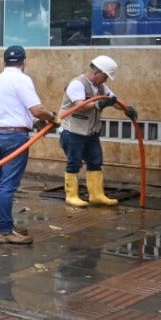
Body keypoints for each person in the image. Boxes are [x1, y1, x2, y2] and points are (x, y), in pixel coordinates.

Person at [0, 45, 55, 245]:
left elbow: (15, 110)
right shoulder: (22, 79)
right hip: (15, 137)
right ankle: (5, 231)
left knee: (1, 183)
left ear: (4, 62)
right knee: (8, 185)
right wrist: (53, 117)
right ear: (24, 62)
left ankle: (5, 224)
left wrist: (36, 122)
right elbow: (36, 110)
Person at [58, 54, 138, 208]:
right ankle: (72, 195)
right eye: (105, 76)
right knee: (74, 162)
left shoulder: (101, 87)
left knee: (95, 161)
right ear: (97, 72)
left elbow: (113, 100)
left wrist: (126, 109)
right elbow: (80, 105)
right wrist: (99, 105)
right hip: (73, 132)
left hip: (91, 133)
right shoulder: (77, 84)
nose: (106, 80)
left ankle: (96, 195)